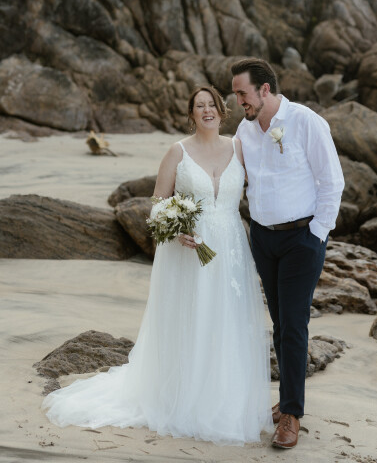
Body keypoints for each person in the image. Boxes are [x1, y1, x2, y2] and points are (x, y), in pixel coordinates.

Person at [42, 86, 273, 445]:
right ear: (191, 114)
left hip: (230, 245)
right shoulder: (177, 151)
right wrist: (178, 230)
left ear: (221, 110)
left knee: (227, 317)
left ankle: (225, 396)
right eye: (199, 106)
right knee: (194, 318)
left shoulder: (239, 147)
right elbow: (158, 204)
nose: (207, 110)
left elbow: (264, 186)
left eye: (212, 104)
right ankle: (186, 395)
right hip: (190, 249)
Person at [231, 58, 345, 450]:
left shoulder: (306, 122)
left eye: (243, 93)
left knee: (294, 325)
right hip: (263, 239)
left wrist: (317, 234)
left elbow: (332, 181)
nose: (239, 101)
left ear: (264, 89)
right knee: (280, 323)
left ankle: (292, 414)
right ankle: (288, 398)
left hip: (301, 239)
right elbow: (233, 176)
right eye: (236, 95)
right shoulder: (245, 129)